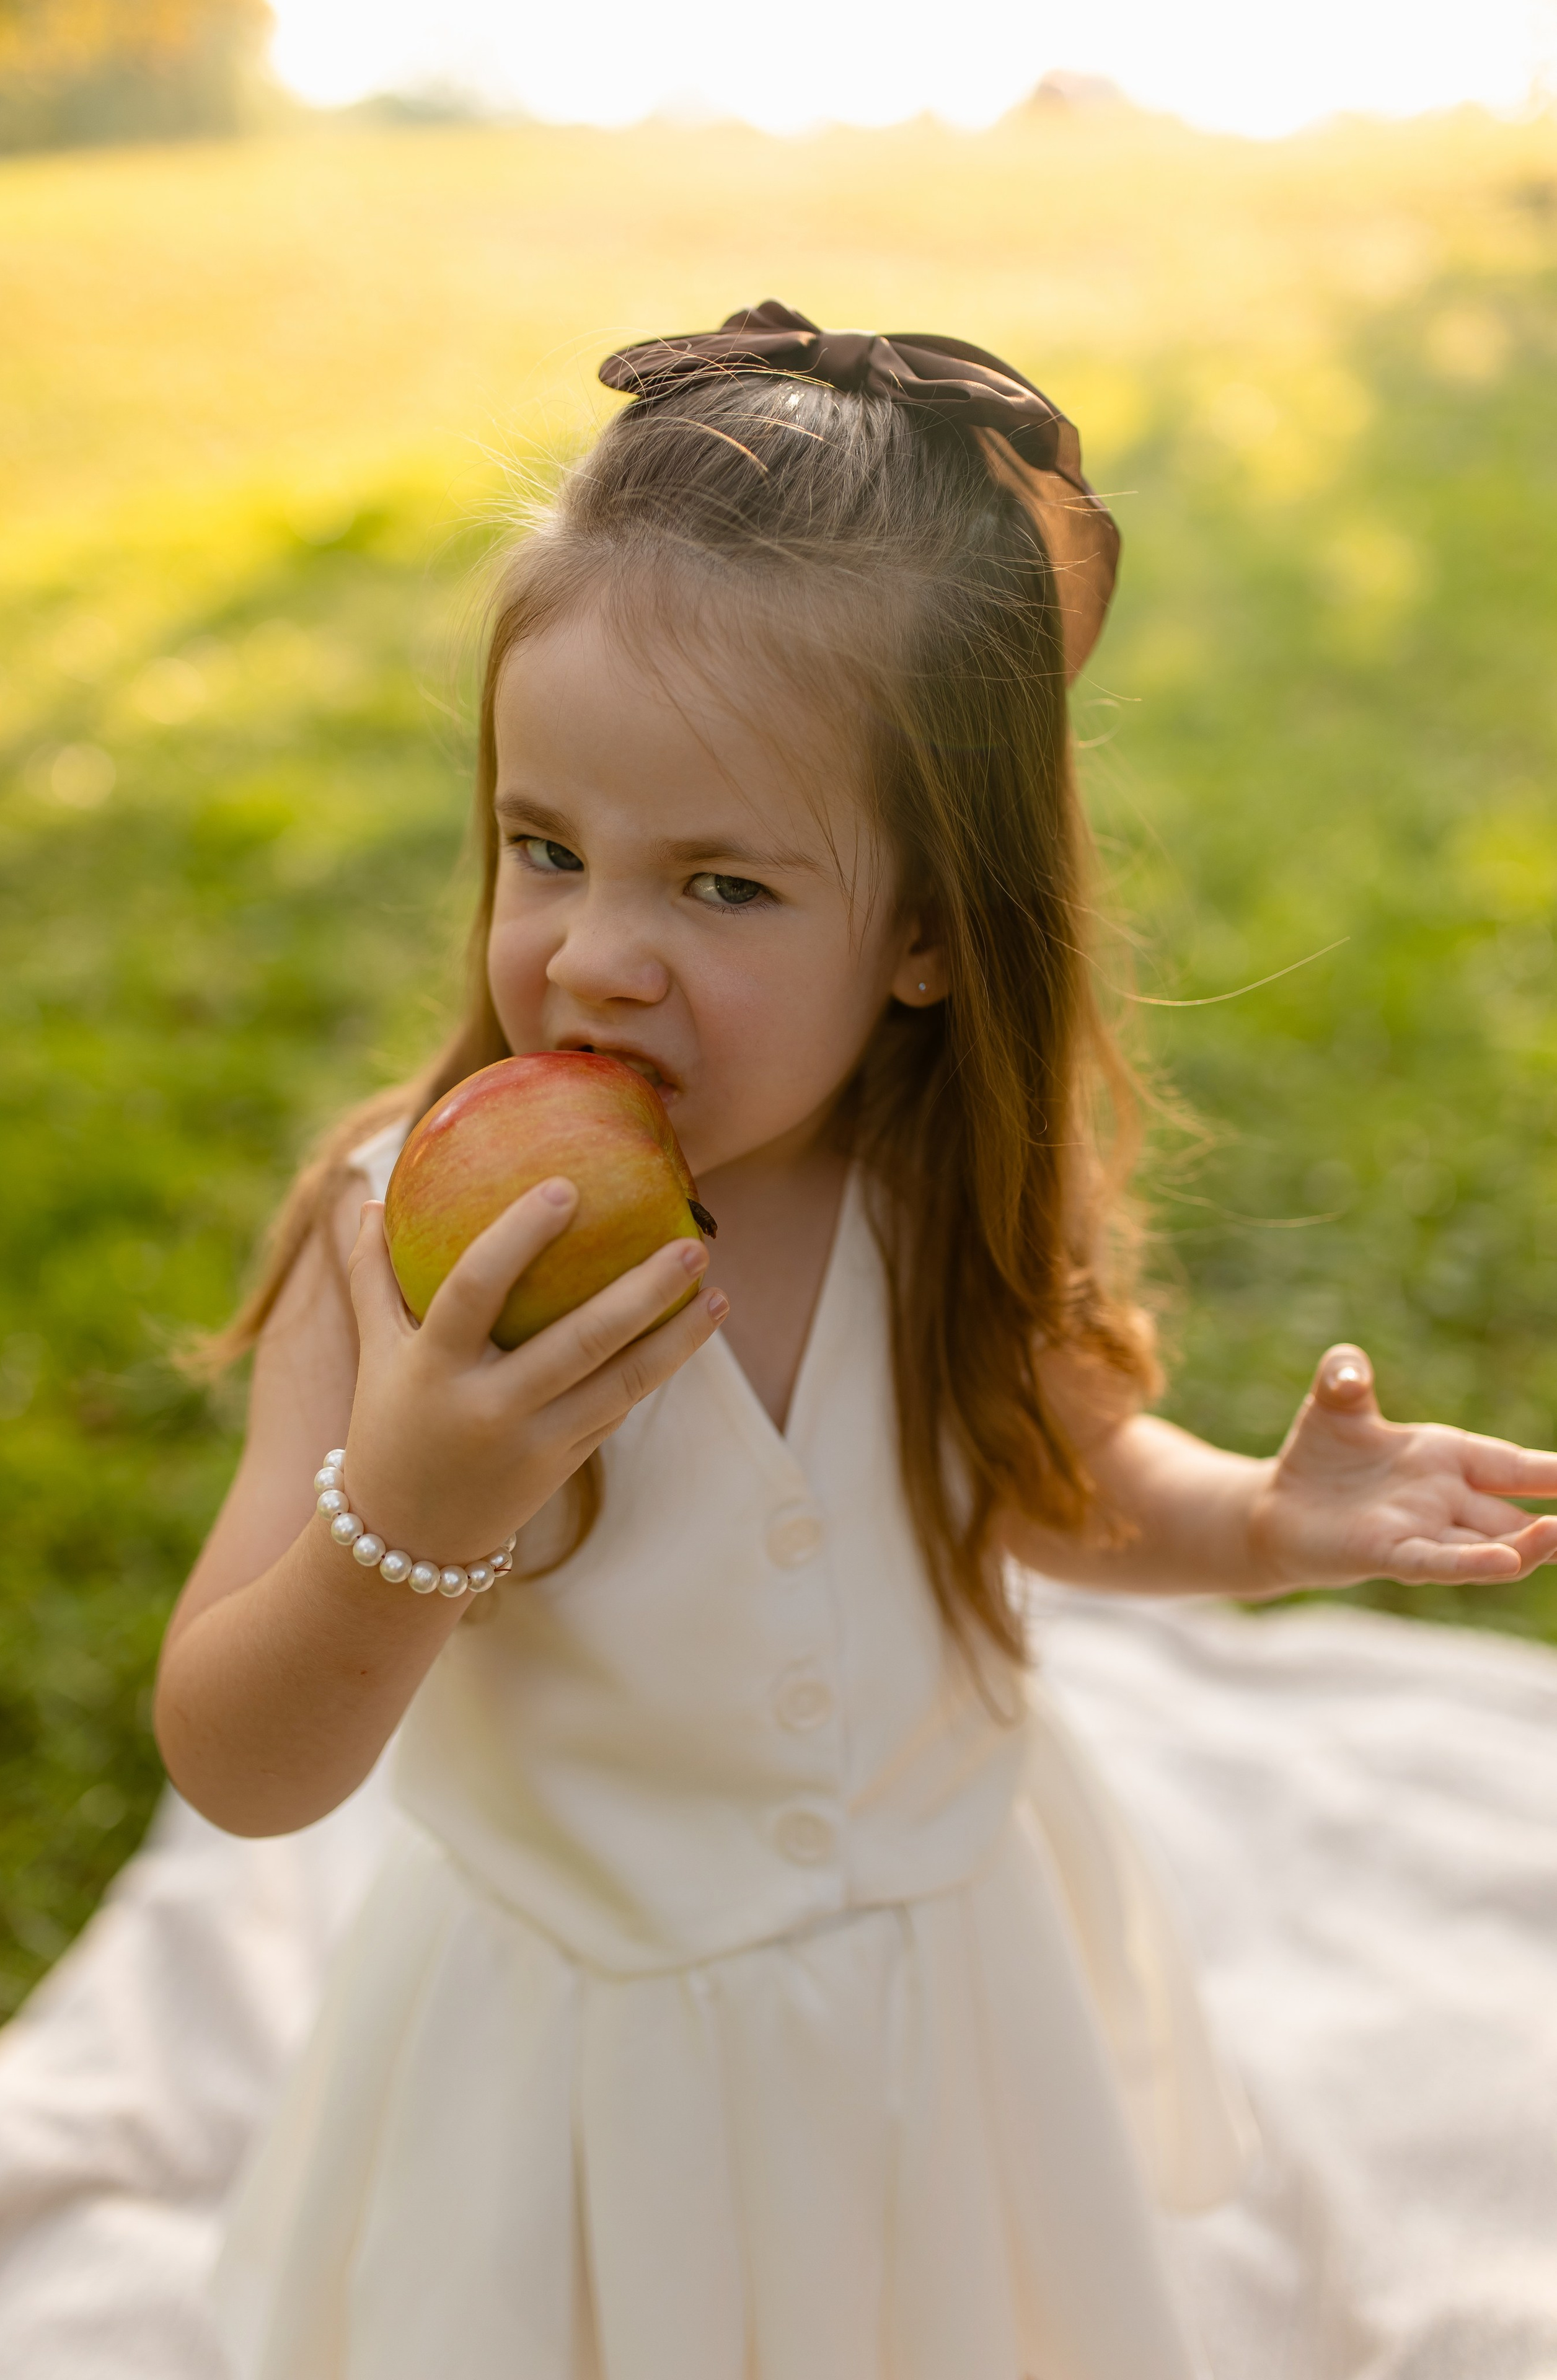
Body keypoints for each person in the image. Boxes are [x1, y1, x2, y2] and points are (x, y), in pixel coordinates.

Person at [151, 305, 1557, 2380]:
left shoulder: (930, 1193)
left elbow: (1048, 1481)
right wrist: (416, 1507)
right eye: (547, 850)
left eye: (721, 886)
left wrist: (1256, 1520)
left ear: (922, 932)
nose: (598, 955)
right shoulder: (401, 1247)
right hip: (575, 2091)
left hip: (929, 2031)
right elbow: (236, 1761)